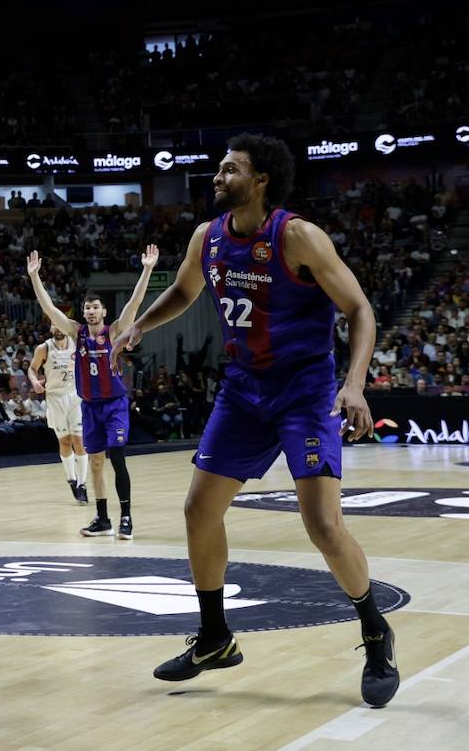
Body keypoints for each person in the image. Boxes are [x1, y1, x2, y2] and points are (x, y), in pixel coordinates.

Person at [112, 133, 398, 708]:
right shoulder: (207, 237)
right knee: (198, 509)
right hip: (244, 390)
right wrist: (140, 326)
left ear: (260, 179)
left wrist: (354, 384)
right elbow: (183, 291)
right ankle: (216, 637)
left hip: (304, 392)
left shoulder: (297, 236)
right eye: (219, 169)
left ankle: (375, 631)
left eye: (229, 169)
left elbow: (360, 309)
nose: (217, 178)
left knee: (321, 524)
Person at [27, 244, 158, 540]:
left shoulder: (114, 332)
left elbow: (135, 304)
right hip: (89, 407)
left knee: (118, 459)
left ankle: (126, 518)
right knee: (96, 462)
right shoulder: (76, 332)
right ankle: (103, 518)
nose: (91, 310)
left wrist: (147, 268)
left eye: (95, 307)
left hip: (114, 405)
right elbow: (49, 308)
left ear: (104, 311)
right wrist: (35, 277)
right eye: (87, 307)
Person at [28, 323, 90, 504]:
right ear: (50, 329)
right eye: (54, 325)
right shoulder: (44, 348)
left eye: (60, 324)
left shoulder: (78, 344)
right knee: (65, 441)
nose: (58, 329)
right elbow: (32, 369)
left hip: (75, 396)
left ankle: (82, 483)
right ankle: (71, 478)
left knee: (79, 440)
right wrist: (35, 382)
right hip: (55, 398)